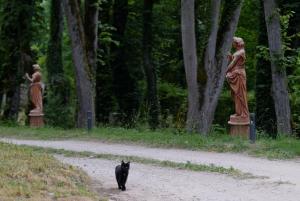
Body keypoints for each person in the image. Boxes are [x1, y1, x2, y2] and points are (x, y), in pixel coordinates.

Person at [226, 37, 249, 124]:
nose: (232, 44)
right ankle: (239, 113)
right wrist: (230, 57)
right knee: (236, 94)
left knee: (241, 94)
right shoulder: (238, 52)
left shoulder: (241, 52)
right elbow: (234, 61)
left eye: (233, 43)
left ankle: (243, 114)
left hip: (239, 74)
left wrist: (225, 71)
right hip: (237, 73)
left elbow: (233, 64)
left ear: (237, 43)